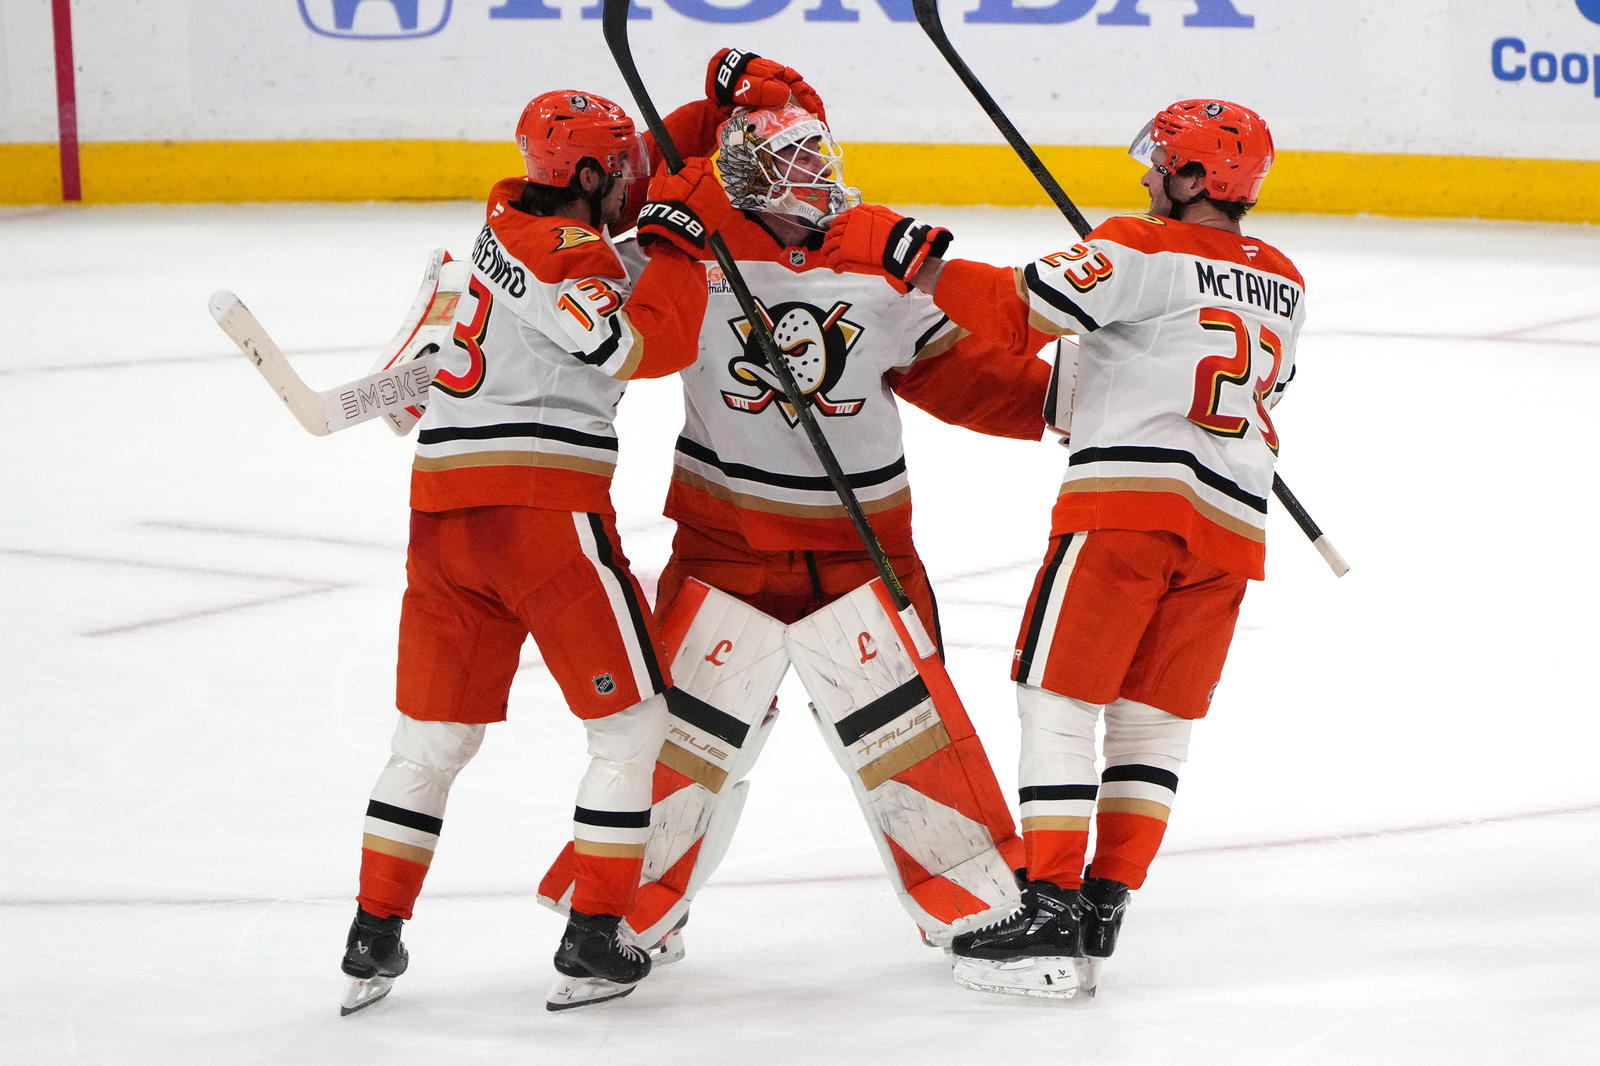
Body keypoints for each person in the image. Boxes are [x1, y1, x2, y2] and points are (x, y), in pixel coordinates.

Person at [540, 62, 1056, 961]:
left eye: (821, 154)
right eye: (794, 161)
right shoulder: (687, 248)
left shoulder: (876, 253)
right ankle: (615, 919)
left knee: (914, 737)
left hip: (865, 550)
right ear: (744, 173)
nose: (821, 177)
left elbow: (966, 375)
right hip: (723, 544)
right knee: (684, 744)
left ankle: (981, 911)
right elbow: (569, 315)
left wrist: (1078, 402)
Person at [820, 99, 1306, 997]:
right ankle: (1106, 900)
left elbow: (1013, 312)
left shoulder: (1138, 244)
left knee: (1058, 699)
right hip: (1232, 530)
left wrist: (904, 250)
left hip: (1128, 509)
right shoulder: (1285, 279)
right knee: (1153, 722)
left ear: (1198, 177)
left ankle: (1048, 898)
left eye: (1163, 162)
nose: (1147, 175)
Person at [337, 87, 740, 1016]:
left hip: (440, 521)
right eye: (618, 169)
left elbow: (401, 400)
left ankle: (372, 933)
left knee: (431, 742)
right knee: (634, 730)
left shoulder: (489, 236)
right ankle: (595, 935)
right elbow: (637, 344)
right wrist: (679, 244)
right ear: (588, 176)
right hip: (542, 518)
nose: (631, 181)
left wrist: (702, 116)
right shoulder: (574, 254)